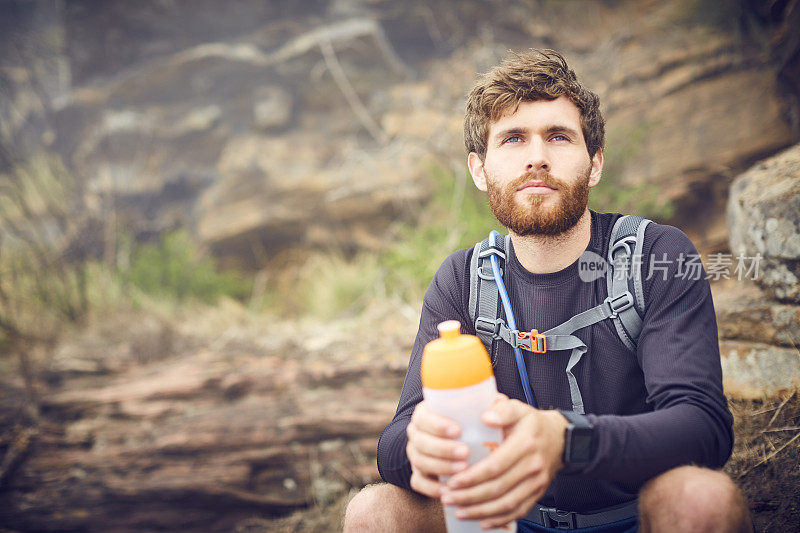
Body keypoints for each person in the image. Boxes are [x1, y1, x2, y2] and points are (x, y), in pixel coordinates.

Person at [344, 49, 753, 532]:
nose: (537, 156)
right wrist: (419, 445)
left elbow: (702, 427)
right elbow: (392, 447)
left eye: (558, 136)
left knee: (701, 500)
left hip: (637, 515)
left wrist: (566, 440)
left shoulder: (658, 256)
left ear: (595, 163)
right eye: (513, 138)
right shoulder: (463, 279)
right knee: (374, 512)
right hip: (509, 520)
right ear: (479, 170)